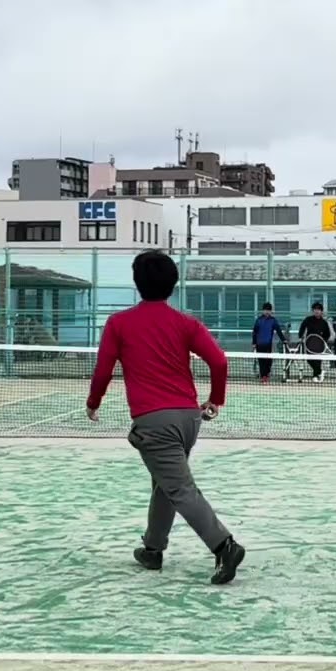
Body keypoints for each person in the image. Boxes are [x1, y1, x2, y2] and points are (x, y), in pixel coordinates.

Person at [86, 250, 245, 585]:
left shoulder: (119, 323)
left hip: (153, 421)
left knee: (179, 487)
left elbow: (103, 370)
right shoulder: (185, 323)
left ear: (136, 283)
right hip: (189, 419)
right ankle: (153, 549)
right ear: (173, 284)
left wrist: (94, 402)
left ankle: (224, 545)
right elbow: (218, 361)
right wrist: (216, 399)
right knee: (166, 484)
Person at [251, 302, 288, 383]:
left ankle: (266, 374)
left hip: (268, 345)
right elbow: (254, 332)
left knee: (268, 361)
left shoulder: (273, 321)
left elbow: (278, 331)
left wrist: (284, 340)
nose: (267, 312)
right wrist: (254, 343)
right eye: (265, 310)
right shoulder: (258, 320)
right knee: (261, 361)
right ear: (263, 311)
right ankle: (263, 376)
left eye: (269, 310)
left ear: (271, 311)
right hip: (259, 344)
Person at [297, 301, 333, 382]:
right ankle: (319, 372)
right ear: (313, 311)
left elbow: (328, 333)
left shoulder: (324, 322)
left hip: (319, 345)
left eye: (319, 309)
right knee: (309, 359)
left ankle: (315, 375)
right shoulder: (308, 319)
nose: (317, 311)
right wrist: (300, 336)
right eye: (315, 309)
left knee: (317, 360)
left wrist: (324, 341)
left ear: (321, 311)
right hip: (309, 343)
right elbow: (302, 328)